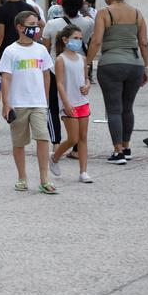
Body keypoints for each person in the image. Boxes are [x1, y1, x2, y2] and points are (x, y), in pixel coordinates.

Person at [86, 0, 148, 165]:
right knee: (127, 108)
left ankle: (118, 151)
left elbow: (96, 41)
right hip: (135, 63)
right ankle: (127, 146)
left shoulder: (105, 13)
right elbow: (144, 43)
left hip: (111, 64)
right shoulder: (137, 13)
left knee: (114, 109)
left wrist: (87, 62)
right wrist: (145, 67)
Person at [0, 11, 57, 195]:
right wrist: (6, 104)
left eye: (37, 24)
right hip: (18, 104)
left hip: (38, 103)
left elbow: (46, 75)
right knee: (19, 142)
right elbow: (5, 79)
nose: (36, 28)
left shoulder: (41, 50)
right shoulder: (10, 51)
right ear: (20, 27)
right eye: (31, 24)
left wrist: (45, 100)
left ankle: (44, 178)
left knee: (43, 138)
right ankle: (22, 177)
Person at [0, 0, 40, 131]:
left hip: (6, 52)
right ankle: (25, 114)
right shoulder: (28, 8)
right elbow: (40, 24)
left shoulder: (2, 10)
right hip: (26, 49)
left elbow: (0, 35)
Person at [41, 0, 94, 152]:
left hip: (53, 69)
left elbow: (45, 48)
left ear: (61, 5)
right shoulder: (88, 23)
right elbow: (90, 42)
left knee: (53, 107)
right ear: (81, 5)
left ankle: (56, 143)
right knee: (76, 105)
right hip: (77, 69)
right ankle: (77, 147)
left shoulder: (52, 24)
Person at [49, 25, 92, 183]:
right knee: (73, 138)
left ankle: (83, 172)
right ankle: (54, 157)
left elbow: (86, 78)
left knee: (83, 137)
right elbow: (59, 83)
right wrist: (66, 103)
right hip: (68, 103)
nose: (78, 41)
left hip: (83, 102)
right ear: (65, 40)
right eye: (75, 38)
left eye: (80, 39)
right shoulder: (61, 59)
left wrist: (87, 85)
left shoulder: (82, 59)